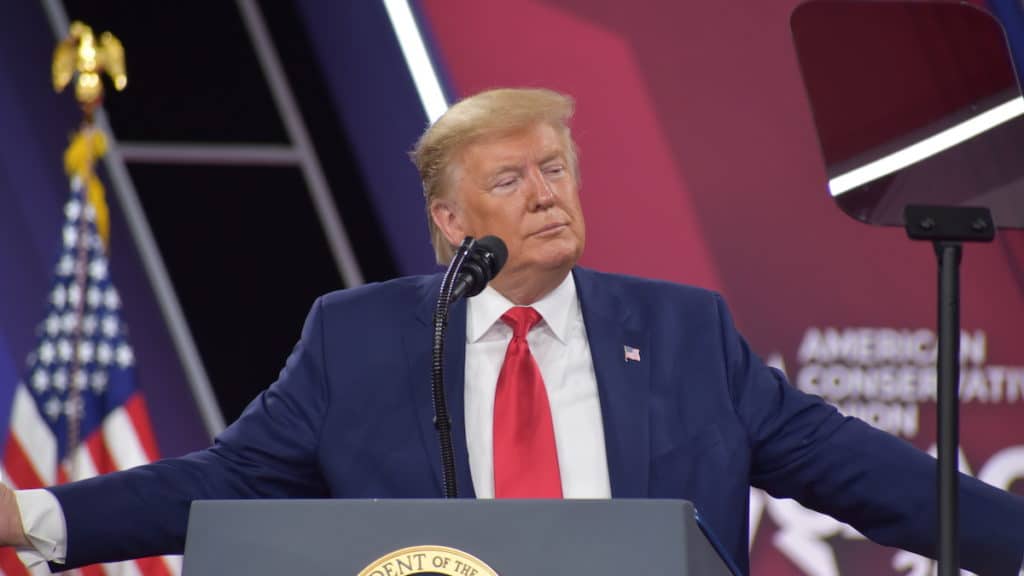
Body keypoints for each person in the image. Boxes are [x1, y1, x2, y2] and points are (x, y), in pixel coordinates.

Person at [3, 87, 1023, 574]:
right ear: (449, 221)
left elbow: (861, 474)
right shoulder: (357, 340)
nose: (545, 195)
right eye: (509, 180)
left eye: (557, 168)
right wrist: (37, 517)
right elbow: (223, 486)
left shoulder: (679, 333)